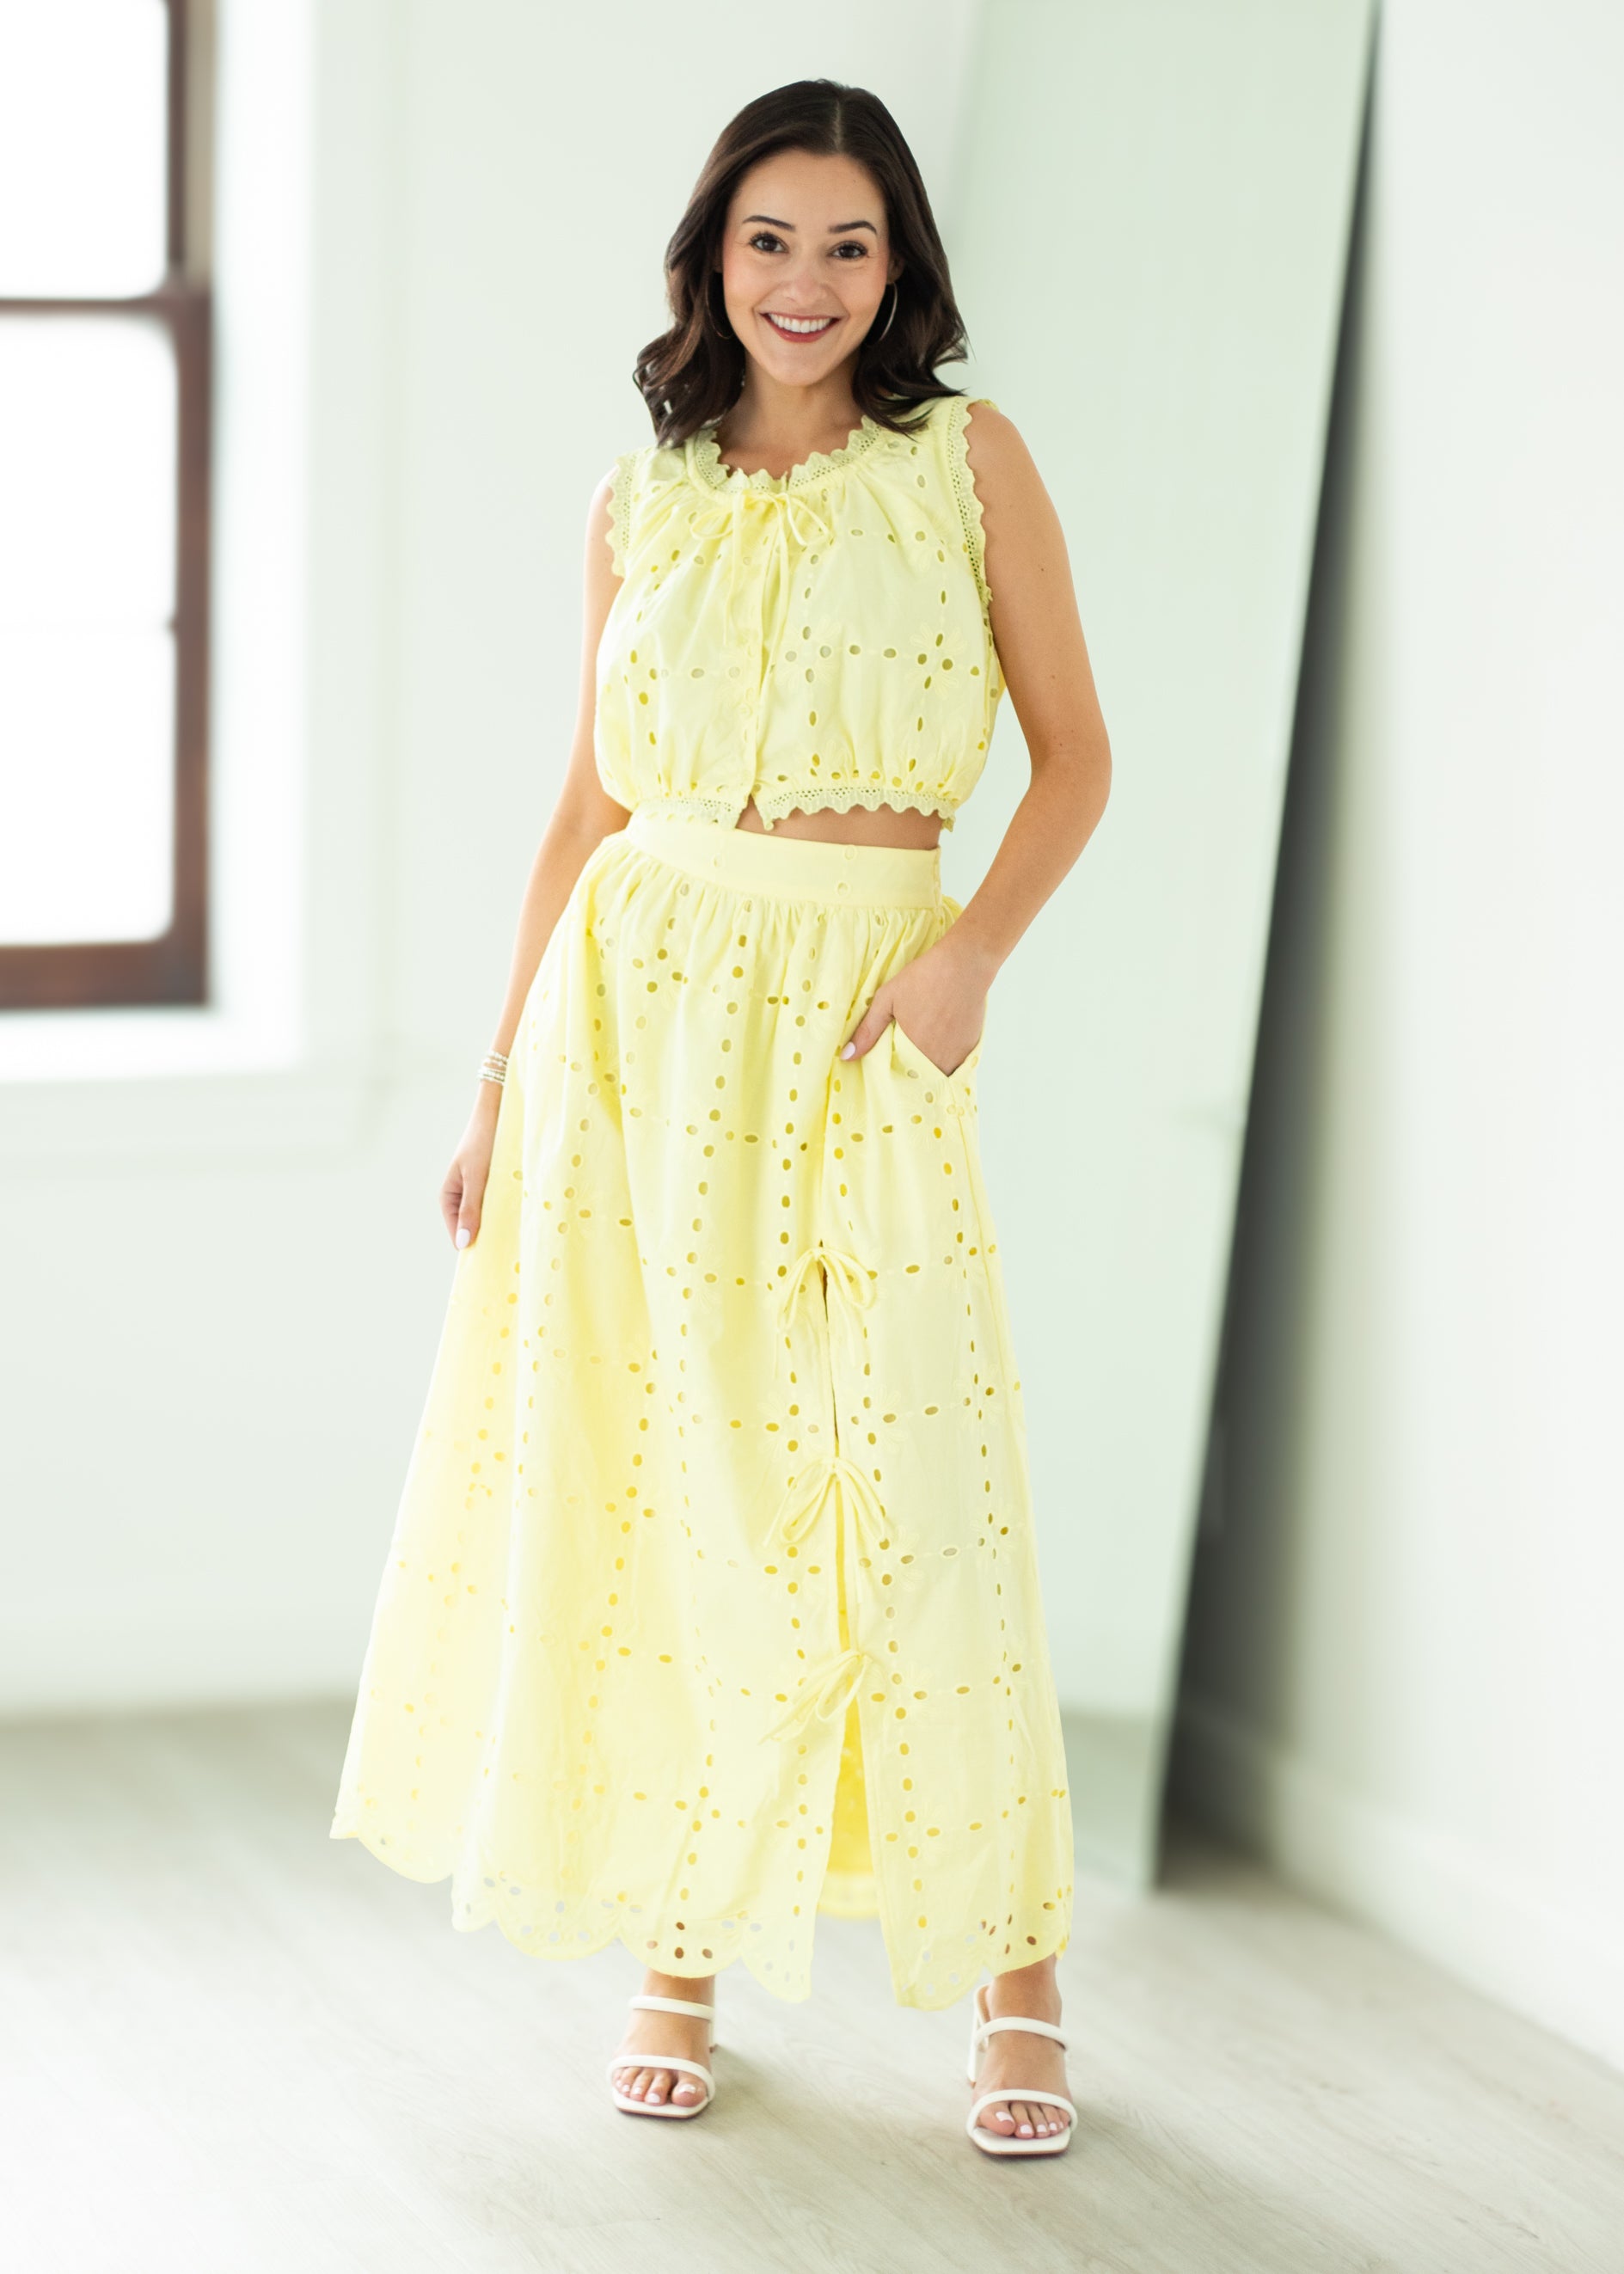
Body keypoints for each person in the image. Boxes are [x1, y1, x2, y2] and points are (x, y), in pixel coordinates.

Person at [331, 77, 1111, 2160]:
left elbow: (1077, 761)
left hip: (865, 1010)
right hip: (634, 1025)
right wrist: (500, 1080)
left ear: (901, 265)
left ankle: (1017, 1980)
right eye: (771, 240)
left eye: (848, 244)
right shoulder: (639, 498)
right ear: (710, 256)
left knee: (913, 1475)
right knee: (675, 1478)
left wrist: (965, 965)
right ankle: (680, 1930)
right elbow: (585, 806)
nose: (806, 282)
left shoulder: (968, 465)